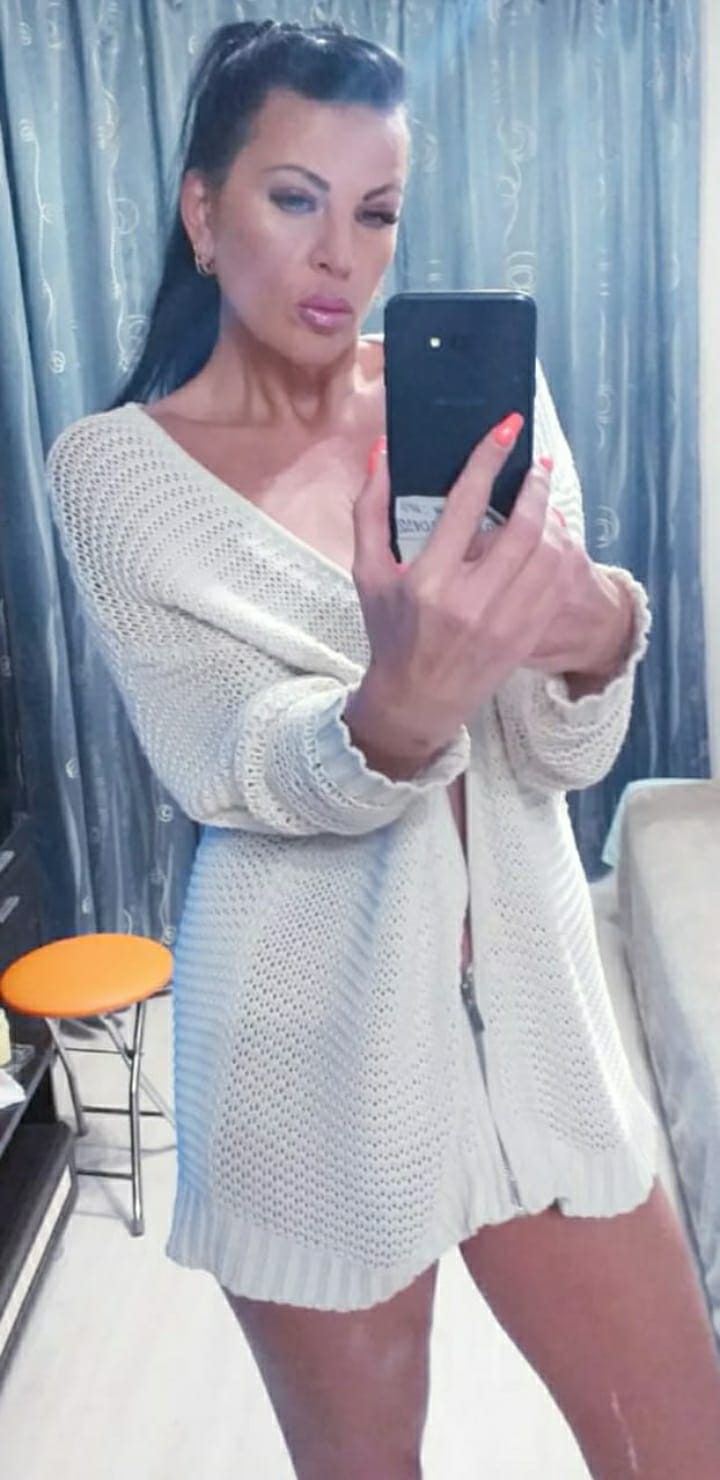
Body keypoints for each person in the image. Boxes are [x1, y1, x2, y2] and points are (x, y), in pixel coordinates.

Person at [47, 18, 720, 1480]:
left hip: (539, 1024)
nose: (338, 255)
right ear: (203, 211)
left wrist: (599, 628)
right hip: (304, 1057)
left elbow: (558, 752)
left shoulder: (481, 412)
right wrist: (394, 716)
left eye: (376, 210)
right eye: (294, 197)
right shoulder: (117, 472)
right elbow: (227, 760)